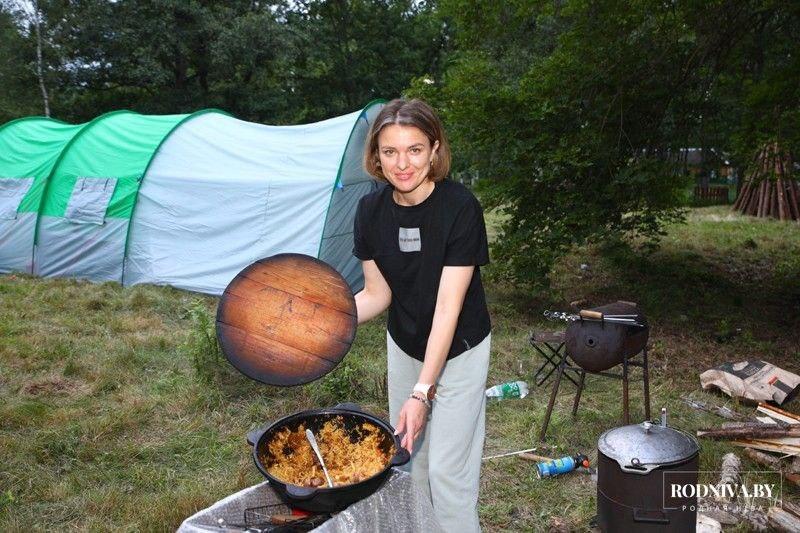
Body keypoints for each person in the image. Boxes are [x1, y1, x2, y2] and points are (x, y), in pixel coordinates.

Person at [352, 98, 491, 533]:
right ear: (376, 156)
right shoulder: (370, 212)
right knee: (410, 464)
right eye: (390, 151)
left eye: (414, 149)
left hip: (460, 347)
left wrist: (421, 393)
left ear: (434, 150)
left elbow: (448, 309)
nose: (402, 163)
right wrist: (325, 321)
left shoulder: (459, 208)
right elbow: (376, 295)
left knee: (448, 474)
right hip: (405, 343)